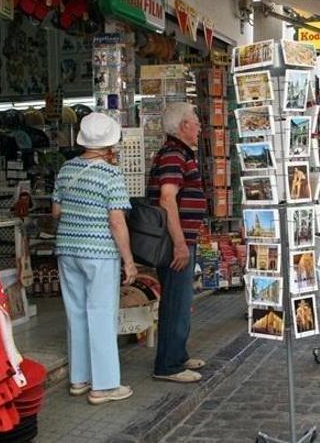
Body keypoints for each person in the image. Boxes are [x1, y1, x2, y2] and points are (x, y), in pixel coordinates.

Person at [52, 112, 138, 405]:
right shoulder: (111, 174)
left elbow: (56, 213)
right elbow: (117, 221)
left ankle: (79, 379)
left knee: (75, 313)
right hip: (99, 252)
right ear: (110, 143)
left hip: (67, 249)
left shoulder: (65, 169)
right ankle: (104, 385)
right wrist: (128, 259)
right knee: (101, 314)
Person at [148, 102, 207, 383]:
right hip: (175, 241)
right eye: (195, 121)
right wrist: (180, 243)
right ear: (183, 125)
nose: (199, 126)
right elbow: (167, 198)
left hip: (180, 238)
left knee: (181, 301)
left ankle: (178, 355)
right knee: (175, 301)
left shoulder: (179, 152)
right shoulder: (174, 154)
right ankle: (168, 365)